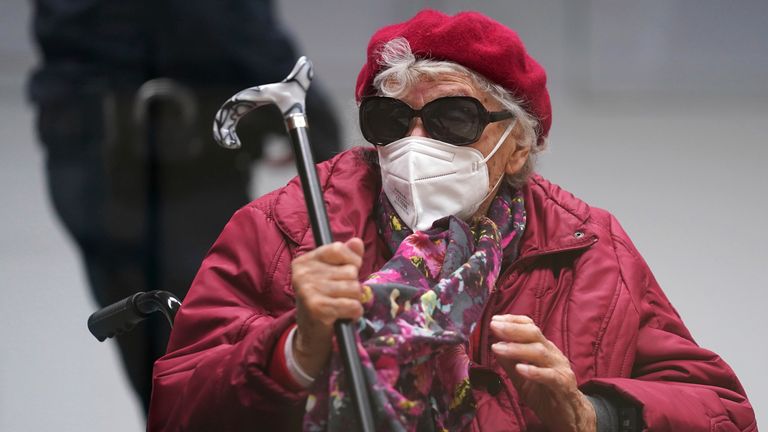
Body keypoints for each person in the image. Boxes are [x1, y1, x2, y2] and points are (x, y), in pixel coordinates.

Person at [147, 9, 755, 431]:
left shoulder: (591, 250)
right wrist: (293, 349)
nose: (414, 143)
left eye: (452, 119)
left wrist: (591, 415)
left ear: (518, 145)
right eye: (389, 120)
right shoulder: (286, 229)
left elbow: (721, 410)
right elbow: (175, 410)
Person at [29, 0, 341, 414]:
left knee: (181, 385)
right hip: (163, 169)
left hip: (103, 157)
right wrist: (310, 116)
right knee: (201, 384)